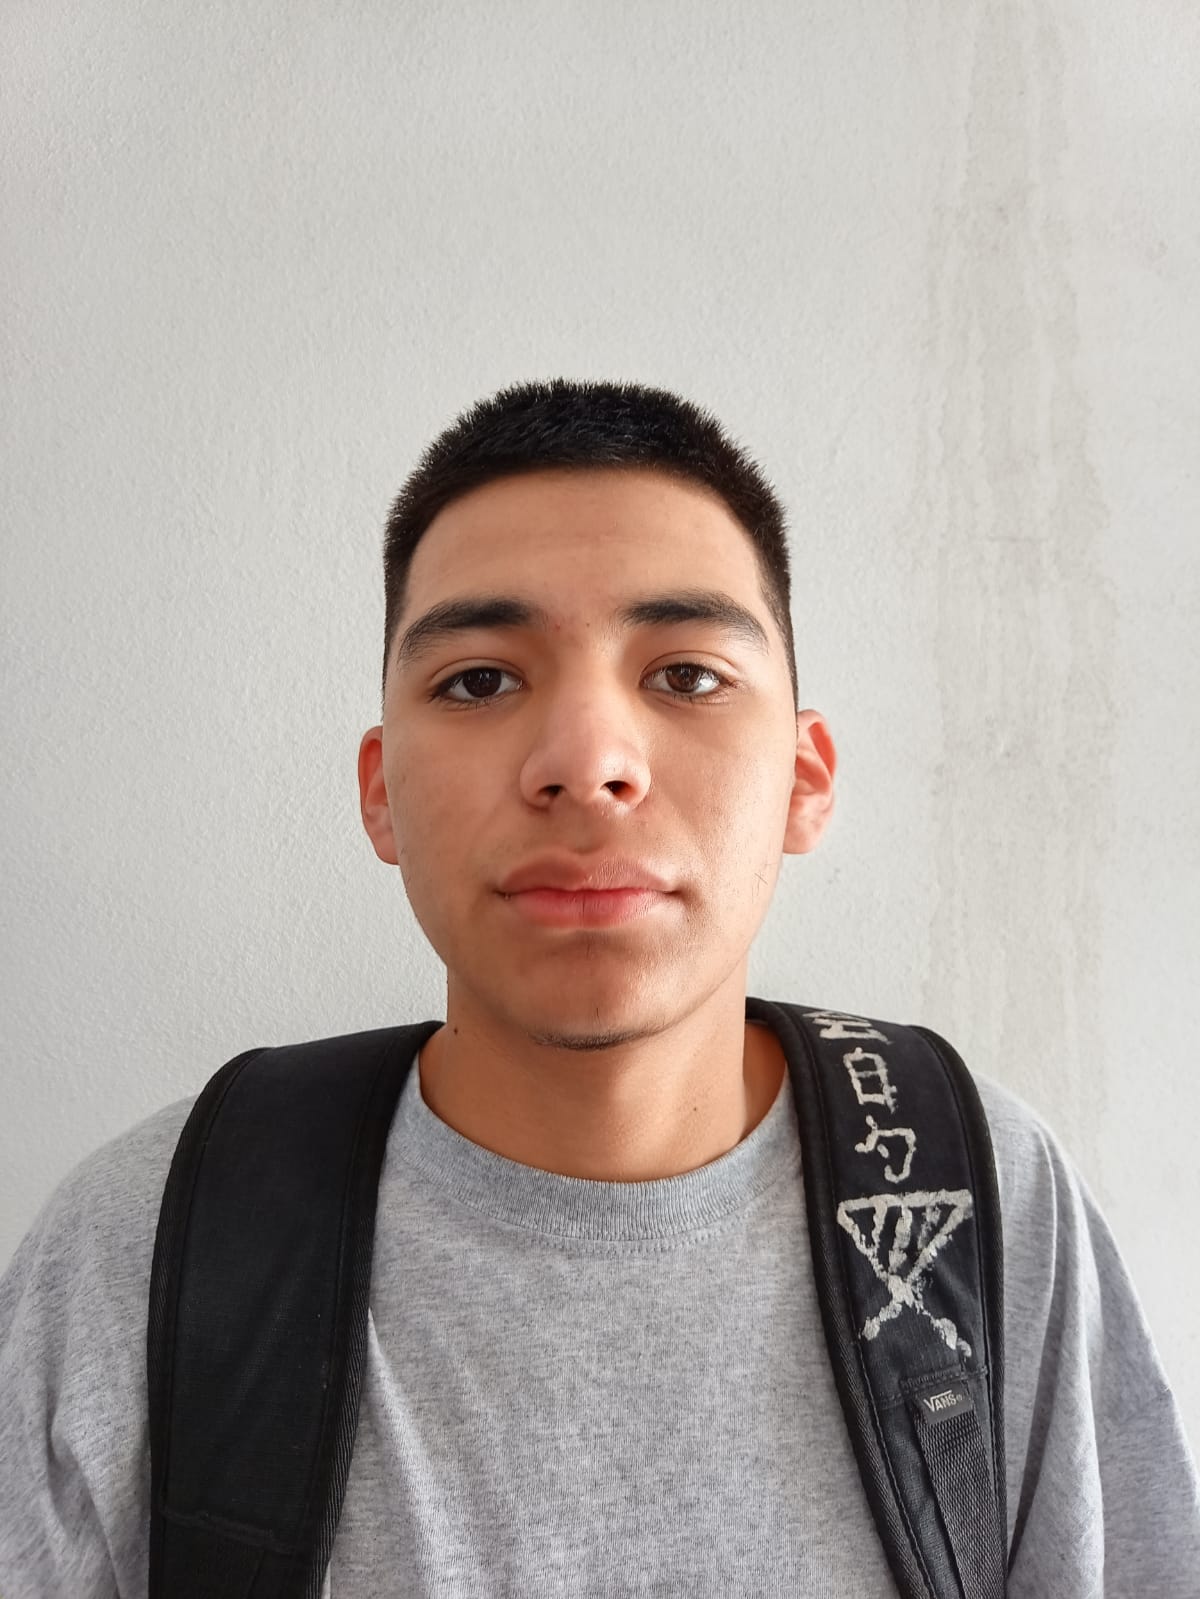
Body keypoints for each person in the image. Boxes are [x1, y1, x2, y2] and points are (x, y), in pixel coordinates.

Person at [2, 377, 1198, 1597]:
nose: (586, 764)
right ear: (380, 792)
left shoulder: (978, 1200)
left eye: (686, 675)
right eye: (479, 680)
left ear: (804, 778)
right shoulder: (149, 1247)